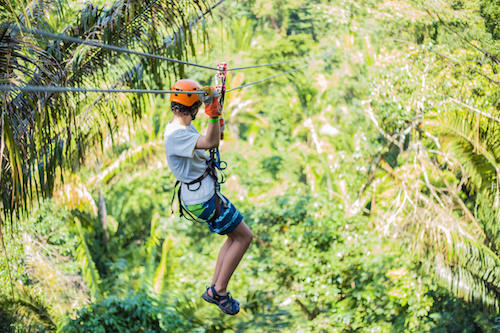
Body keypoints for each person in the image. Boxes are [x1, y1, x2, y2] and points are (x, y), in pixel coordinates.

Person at [164, 79, 253, 315]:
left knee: (234, 237)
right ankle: (220, 290)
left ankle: (215, 287)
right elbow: (211, 142)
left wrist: (216, 115)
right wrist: (212, 113)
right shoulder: (176, 135)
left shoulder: (180, 128)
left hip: (201, 196)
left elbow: (212, 140)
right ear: (194, 107)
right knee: (244, 237)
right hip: (202, 198)